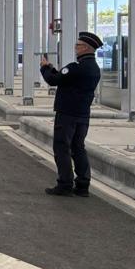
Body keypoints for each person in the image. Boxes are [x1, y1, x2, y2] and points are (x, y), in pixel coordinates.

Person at [40, 32, 103, 197]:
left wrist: (45, 67)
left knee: (62, 148)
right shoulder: (94, 69)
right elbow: (63, 78)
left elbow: (53, 80)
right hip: (83, 114)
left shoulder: (76, 67)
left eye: (78, 45)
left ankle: (65, 184)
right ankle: (83, 185)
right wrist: (53, 69)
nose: (76, 48)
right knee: (78, 148)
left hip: (67, 114)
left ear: (85, 48)